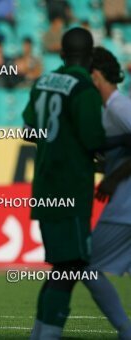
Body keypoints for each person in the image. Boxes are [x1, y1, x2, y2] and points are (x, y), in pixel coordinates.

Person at [22, 27, 106, 339]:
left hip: (44, 188)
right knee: (69, 267)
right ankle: (49, 334)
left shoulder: (43, 82)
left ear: (61, 54)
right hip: (70, 189)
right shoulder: (84, 88)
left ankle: (41, 332)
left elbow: (29, 130)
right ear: (91, 57)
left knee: (62, 267)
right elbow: (94, 139)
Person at [82, 47, 131, 340]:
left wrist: (113, 178)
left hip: (125, 208)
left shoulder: (118, 106)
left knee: (85, 265)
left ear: (96, 76)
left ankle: (125, 329)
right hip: (123, 204)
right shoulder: (110, 109)